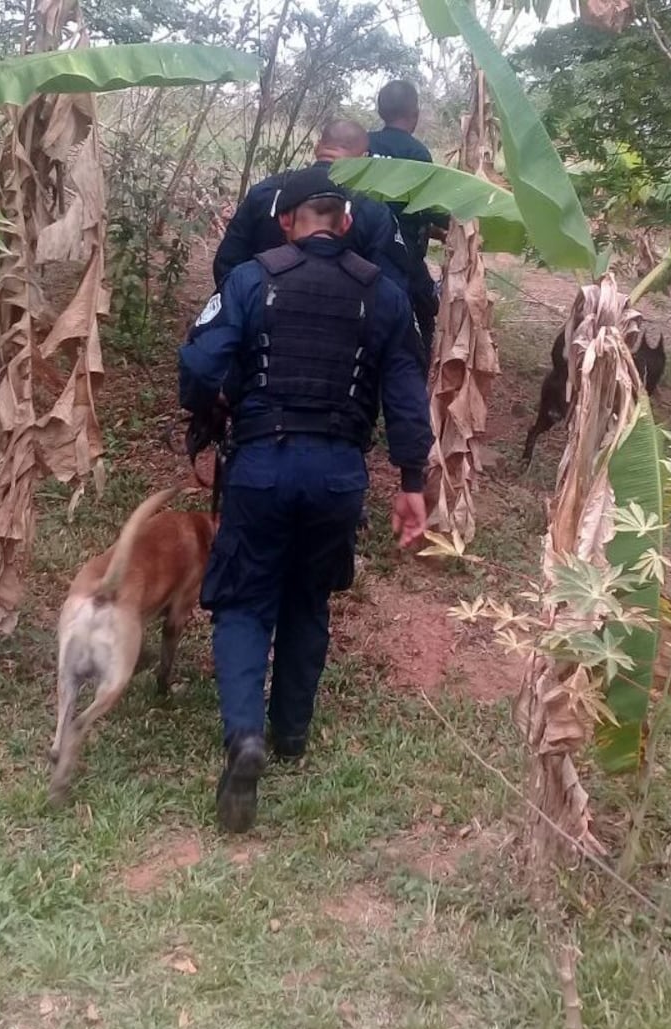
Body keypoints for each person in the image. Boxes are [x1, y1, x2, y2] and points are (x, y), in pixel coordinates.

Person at [179, 168, 433, 834]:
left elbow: (200, 365)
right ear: (345, 223)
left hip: (262, 462)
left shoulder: (250, 279)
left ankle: (244, 737)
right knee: (307, 597)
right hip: (339, 474)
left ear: (288, 221)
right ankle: (290, 733)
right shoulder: (387, 294)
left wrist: (211, 403)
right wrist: (412, 484)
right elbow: (407, 393)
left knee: (242, 598)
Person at [213, 119, 410, 299]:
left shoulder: (265, 191)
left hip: (259, 323)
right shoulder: (372, 209)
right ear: (365, 158)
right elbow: (391, 286)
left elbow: (227, 263)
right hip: (339, 328)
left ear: (317, 147)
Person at [368, 79, 449, 360]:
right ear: (414, 114)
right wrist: (455, 224)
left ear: (381, 110)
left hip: (361, 251)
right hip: (404, 259)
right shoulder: (416, 153)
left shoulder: (364, 144)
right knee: (421, 324)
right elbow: (425, 205)